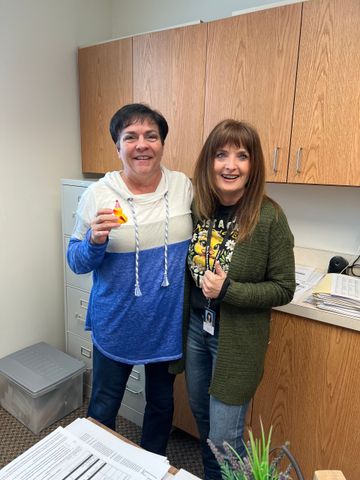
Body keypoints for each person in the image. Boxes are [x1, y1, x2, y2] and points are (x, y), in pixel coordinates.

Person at [67, 103, 193, 456]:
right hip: (117, 321)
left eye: (151, 136)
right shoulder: (98, 195)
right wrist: (94, 242)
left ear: (162, 144)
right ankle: (95, 465)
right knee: (105, 404)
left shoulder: (183, 186)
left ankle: (151, 465)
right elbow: (75, 261)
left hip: (165, 325)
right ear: (117, 146)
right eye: (131, 137)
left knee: (161, 406)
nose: (142, 144)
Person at [185, 119, 296, 479]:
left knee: (225, 438)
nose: (230, 165)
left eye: (241, 156)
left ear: (254, 165)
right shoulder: (200, 209)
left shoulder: (269, 218)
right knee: (203, 420)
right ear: (209, 162)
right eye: (221, 154)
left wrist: (229, 290)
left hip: (236, 342)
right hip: (196, 331)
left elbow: (283, 287)